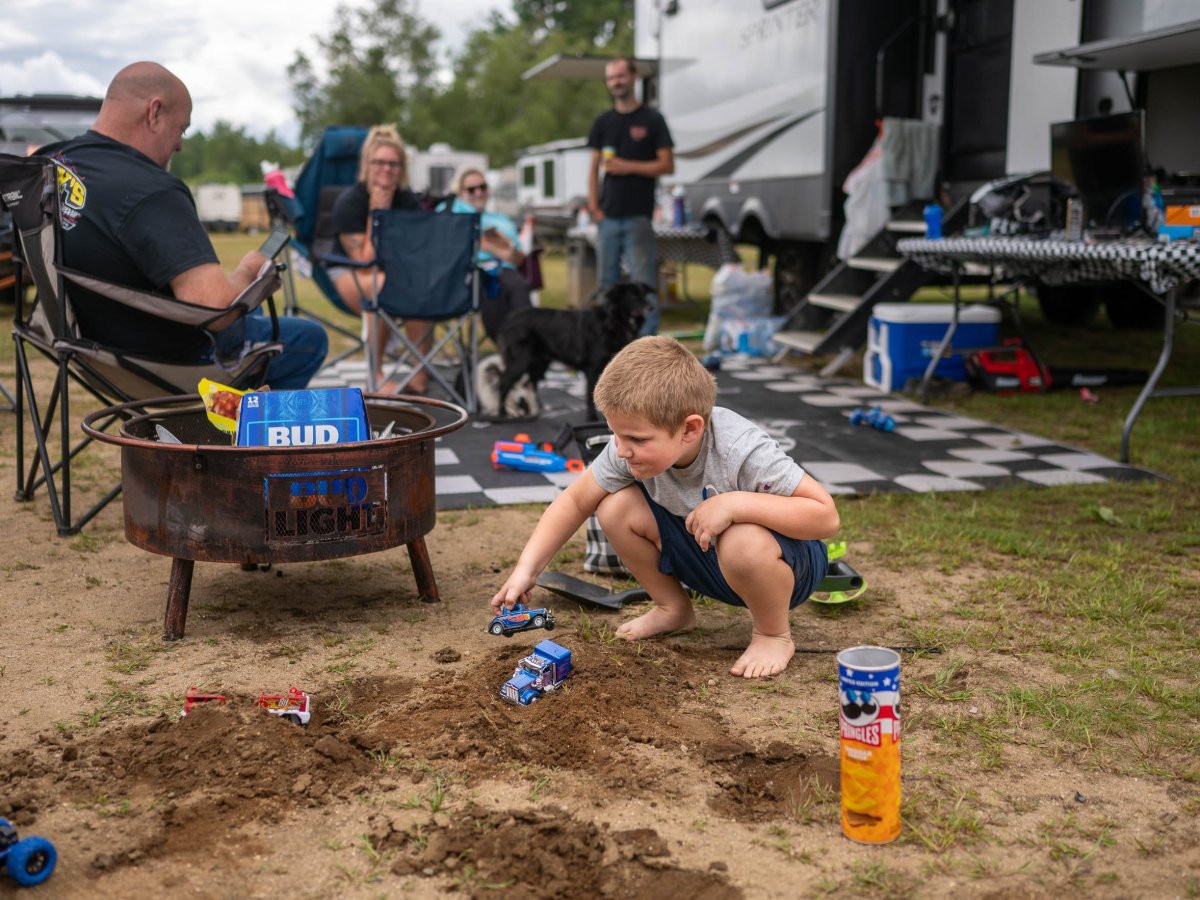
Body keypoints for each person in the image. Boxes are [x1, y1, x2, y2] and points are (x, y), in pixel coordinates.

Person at [490, 336, 839, 678]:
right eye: (616, 434)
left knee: (742, 539)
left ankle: (772, 634)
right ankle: (673, 608)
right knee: (615, 506)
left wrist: (737, 503)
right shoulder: (628, 446)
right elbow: (575, 500)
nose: (622, 450)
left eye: (637, 440)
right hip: (711, 558)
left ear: (689, 429)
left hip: (787, 568)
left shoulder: (740, 449)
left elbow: (826, 516)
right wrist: (527, 570)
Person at [38, 61, 327, 390]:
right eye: (182, 129)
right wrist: (249, 271)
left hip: (85, 350)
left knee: (255, 319)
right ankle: (244, 436)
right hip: (168, 360)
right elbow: (215, 310)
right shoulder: (150, 189)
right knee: (309, 338)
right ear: (155, 112)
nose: (180, 145)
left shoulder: (49, 163)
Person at [330, 124, 427, 392]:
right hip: (349, 271)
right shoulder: (350, 202)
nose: (387, 169)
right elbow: (364, 259)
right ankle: (375, 375)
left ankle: (420, 371)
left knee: (418, 286)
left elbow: (418, 250)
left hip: (396, 273)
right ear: (367, 165)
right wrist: (377, 211)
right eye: (380, 162)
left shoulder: (408, 201)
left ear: (402, 169)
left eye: (394, 164)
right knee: (382, 284)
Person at [587, 57, 675, 337]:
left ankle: (647, 349)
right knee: (606, 284)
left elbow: (667, 165)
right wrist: (594, 208)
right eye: (611, 77)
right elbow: (593, 169)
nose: (616, 82)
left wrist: (629, 166)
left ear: (634, 76)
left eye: (621, 76)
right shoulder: (604, 121)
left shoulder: (652, 119)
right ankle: (606, 343)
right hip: (608, 217)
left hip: (639, 216)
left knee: (642, 283)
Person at [438, 166, 532, 343]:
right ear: (459, 192)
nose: (479, 192)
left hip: (504, 270)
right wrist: (493, 247)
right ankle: (506, 346)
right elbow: (444, 241)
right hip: (464, 273)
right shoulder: (450, 210)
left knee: (518, 286)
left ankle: (524, 344)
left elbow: (519, 259)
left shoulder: (502, 220)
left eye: (483, 187)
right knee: (492, 287)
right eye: (471, 189)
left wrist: (508, 246)